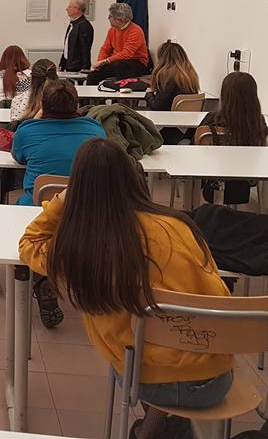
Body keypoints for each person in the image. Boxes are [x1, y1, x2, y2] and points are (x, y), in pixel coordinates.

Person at [20, 138, 232, 439]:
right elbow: (219, 292)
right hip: (216, 377)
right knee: (161, 344)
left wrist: (62, 200)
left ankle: (154, 430)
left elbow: (29, 244)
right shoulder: (179, 225)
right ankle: (157, 429)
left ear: (78, 187)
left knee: (141, 350)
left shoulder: (82, 248)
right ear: (132, 177)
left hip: (145, 378)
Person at [12, 80, 106, 207]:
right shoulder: (96, 130)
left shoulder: (26, 131)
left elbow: (18, 157)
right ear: (77, 105)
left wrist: (35, 120)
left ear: (42, 105)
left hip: (37, 208)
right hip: (86, 207)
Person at [198, 72, 268, 205]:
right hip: (245, 181)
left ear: (224, 95)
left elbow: (194, 149)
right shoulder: (259, 123)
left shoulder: (212, 120)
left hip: (213, 180)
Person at [144, 41, 200, 145]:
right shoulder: (191, 75)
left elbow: (157, 106)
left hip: (169, 124)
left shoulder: (166, 75)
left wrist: (149, 94)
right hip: (188, 124)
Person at [86, 3, 149, 85]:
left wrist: (105, 61)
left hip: (136, 63)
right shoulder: (112, 30)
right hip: (117, 62)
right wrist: (100, 62)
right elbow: (105, 49)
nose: (108, 18)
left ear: (119, 19)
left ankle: (118, 91)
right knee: (93, 76)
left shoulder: (136, 30)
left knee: (119, 66)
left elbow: (127, 54)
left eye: (110, 16)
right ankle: (92, 93)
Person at [11, 59, 58, 124]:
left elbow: (15, 127)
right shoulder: (64, 100)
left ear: (32, 78)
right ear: (56, 77)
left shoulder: (19, 100)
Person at [59, 0, 93, 72]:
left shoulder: (84, 25)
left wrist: (85, 67)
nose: (66, 9)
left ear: (76, 9)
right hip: (69, 65)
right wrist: (62, 63)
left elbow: (85, 48)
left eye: (69, 7)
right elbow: (67, 46)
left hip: (78, 67)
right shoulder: (73, 24)